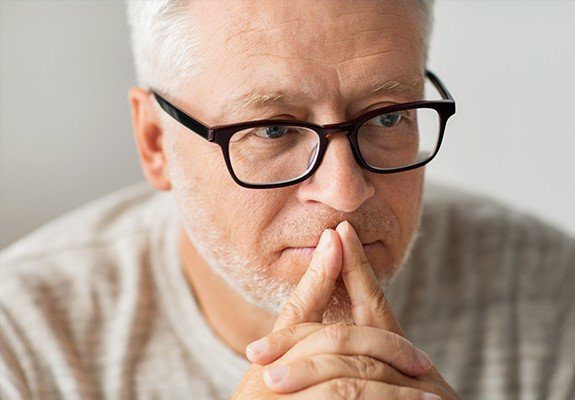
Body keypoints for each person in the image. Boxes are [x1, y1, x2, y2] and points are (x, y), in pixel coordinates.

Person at [1, 1, 573, 399]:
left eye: (389, 115)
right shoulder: (21, 342)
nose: (346, 191)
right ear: (155, 142)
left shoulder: (551, 299)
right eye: (273, 130)